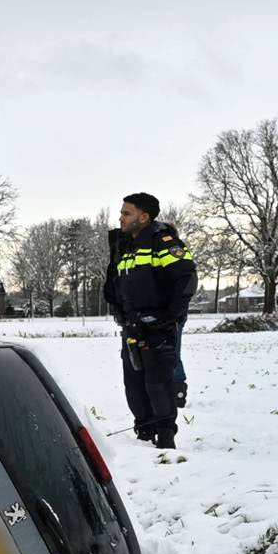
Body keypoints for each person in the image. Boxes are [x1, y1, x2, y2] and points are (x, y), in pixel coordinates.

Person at [103, 192, 195, 449]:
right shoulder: (125, 247)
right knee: (133, 385)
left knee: (157, 384)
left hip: (159, 326)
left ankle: (165, 438)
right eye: (121, 212)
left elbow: (186, 280)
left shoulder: (163, 242)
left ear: (143, 217)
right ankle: (144, 432)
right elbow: (117, 286)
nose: (120, 217)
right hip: (132, 326)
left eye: (126, 213)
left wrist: (169, 318)